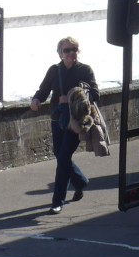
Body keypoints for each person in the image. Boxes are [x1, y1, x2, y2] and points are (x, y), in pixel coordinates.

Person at [31, 36, 98, 214]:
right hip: (58, 119)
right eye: (67, 50)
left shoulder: (85, 70)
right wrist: (36, 99)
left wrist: (73, 98)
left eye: (74, 49)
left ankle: (57, 201)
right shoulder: (54, 70)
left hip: (76, 121)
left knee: (63, 157)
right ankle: (80, 182)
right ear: (60, 53)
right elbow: (44, 90)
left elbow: (95, 94)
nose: (71, 53)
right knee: (59, 154)